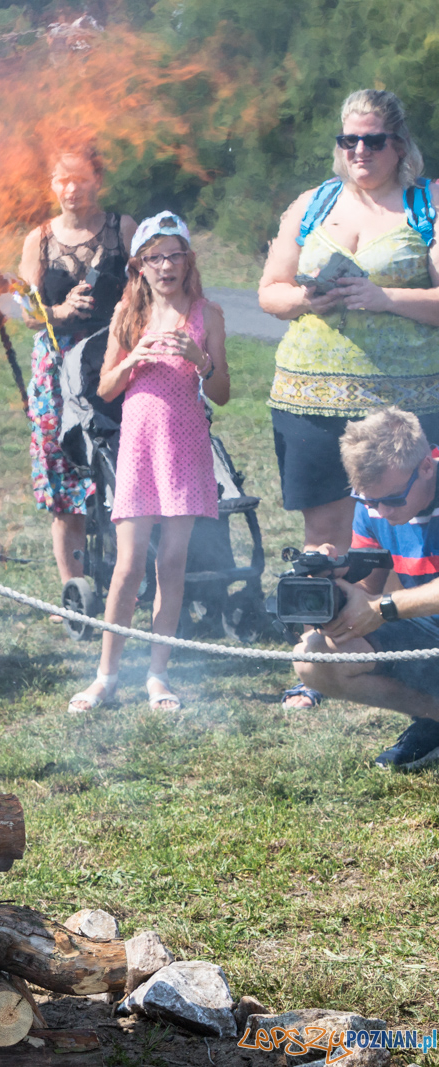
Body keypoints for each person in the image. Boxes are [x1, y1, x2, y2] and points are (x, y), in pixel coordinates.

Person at [258, 90, 439, 581]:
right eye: (349, 140)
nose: (360, 151)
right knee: (323, 535)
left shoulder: (428, 204)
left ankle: (403, 643)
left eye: (373, 140)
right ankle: (336, 648)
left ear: (399, 145)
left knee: (405, 528)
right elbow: (270, 293)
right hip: (307, 402)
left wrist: (387, 298)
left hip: (400, 408)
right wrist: (305, 300)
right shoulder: (312, 203)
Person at [68, 213, 229, 714]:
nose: (166, 266)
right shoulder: (128, 315)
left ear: (188, 260)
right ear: (139, 266)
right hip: (138, 444)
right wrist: (133, 356)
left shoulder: (208, 314)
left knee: (172, 563)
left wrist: (201, 361)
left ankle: (158, 674)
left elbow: (222, 394)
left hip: (185, 446)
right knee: (128, 564)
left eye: (174, 255)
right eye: (155, 257)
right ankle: (106, 675)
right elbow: (105, 389)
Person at [290, 407, 439, 771]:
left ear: (427, 467)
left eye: (392, 499)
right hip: (429, 632)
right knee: (313, 659)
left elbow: (378, 606)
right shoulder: (373, 505)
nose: (382, 512)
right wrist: (334, 580)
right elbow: (367, 590)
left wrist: (381, 608)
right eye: (368, 500)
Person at [17, 146, 136, 591]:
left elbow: (149, 288)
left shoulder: (122, 229)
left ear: (97, 180)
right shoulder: (39, 239)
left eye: (81, 178)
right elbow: (28, 312)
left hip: (112, 362)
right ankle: (75, 588)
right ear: (51, 184)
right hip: (56, 369)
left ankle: (128, 576)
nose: (72, 189)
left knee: (118, 465)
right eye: (63, 180)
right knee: (63, 470)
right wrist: (60, 310)